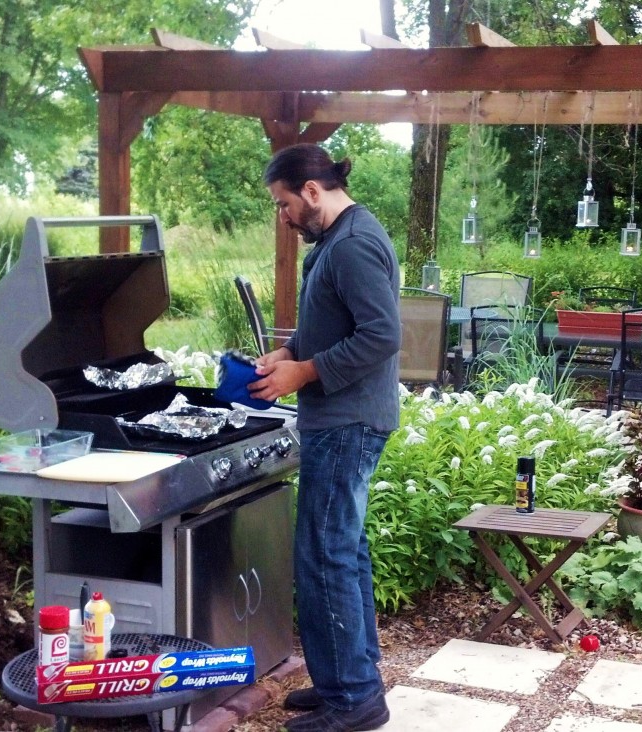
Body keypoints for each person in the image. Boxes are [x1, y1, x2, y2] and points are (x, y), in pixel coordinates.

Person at [249, 143, 400, 732]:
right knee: (343, 552)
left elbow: (383, 335)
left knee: (325, 557)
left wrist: (303, 373)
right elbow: (334, 324)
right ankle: (348, 679)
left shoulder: (355, 244)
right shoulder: (340, 240)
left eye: (284, 204)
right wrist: (287, 353)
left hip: (347, 423)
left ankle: (355, 701)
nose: (283, 218)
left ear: (312, 192)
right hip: (343, 419)